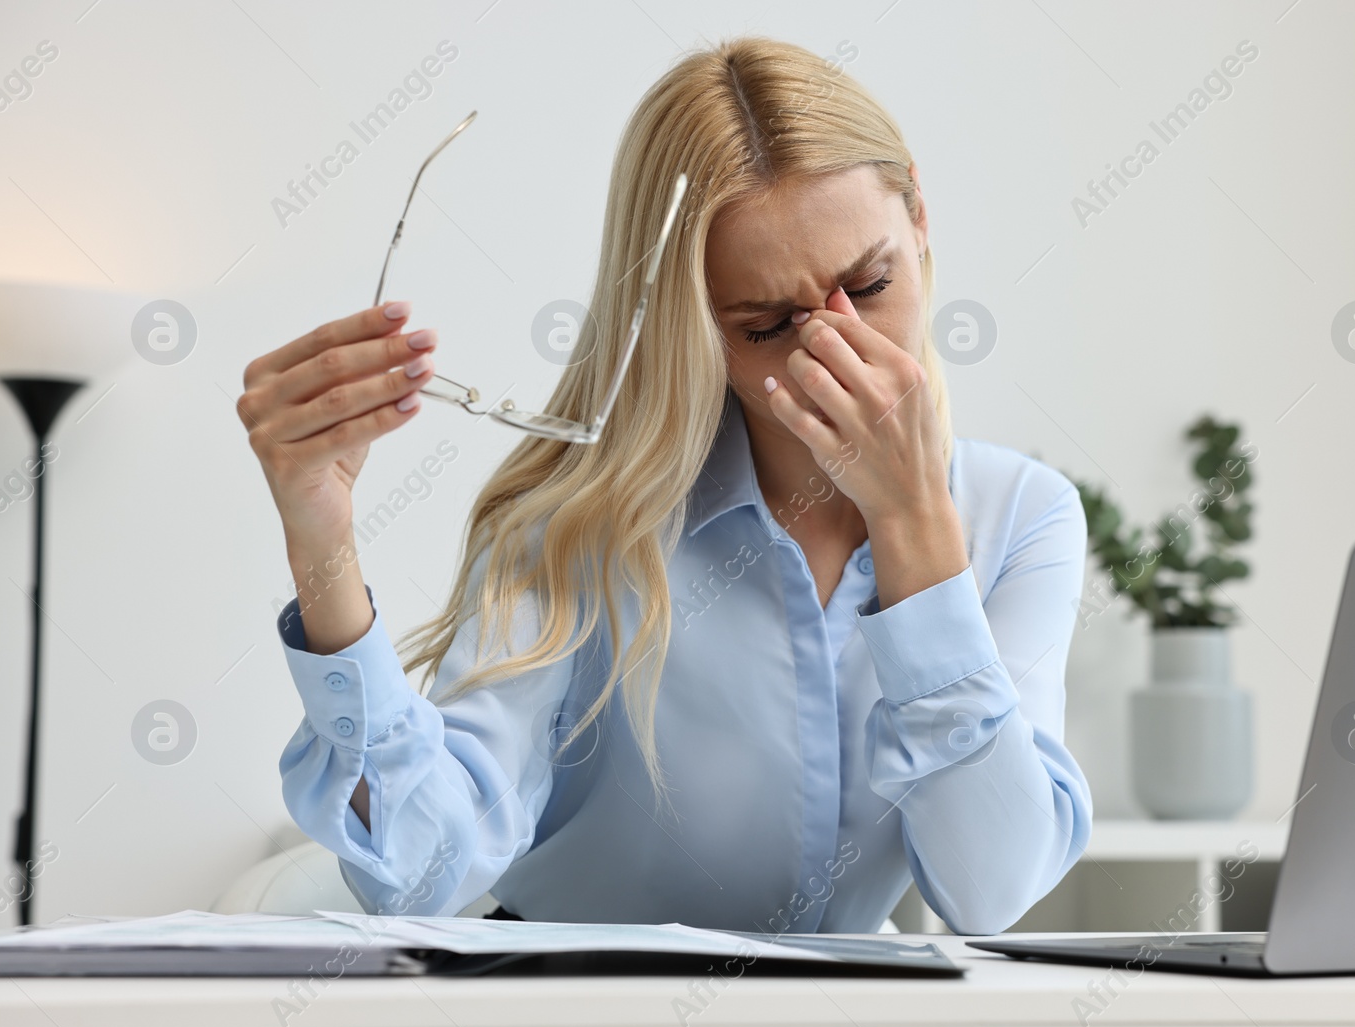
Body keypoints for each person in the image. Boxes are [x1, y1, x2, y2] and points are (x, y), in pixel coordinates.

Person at [236, 36, 1091, 935]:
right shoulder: (576, 523)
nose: (837, 353)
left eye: (871, 284)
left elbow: (992, 891)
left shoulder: (1022, 515)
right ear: (690, 325)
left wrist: (915, 525)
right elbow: (418, 874)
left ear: (919, 213)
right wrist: (320, 538)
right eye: (766, 325)